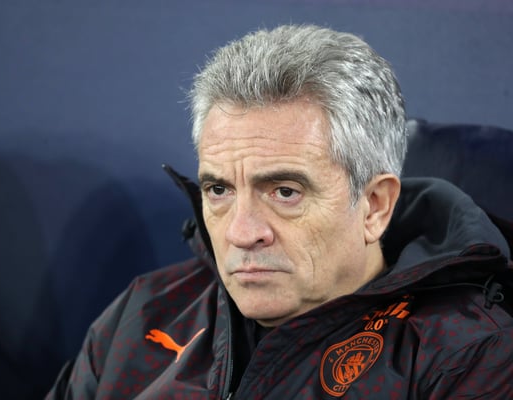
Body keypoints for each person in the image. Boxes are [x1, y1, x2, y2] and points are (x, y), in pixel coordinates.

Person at [46, 24, 513, 399]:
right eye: (219, 189)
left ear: (374, 206)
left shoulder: (468, 356)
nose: (241, 232)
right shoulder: (141, 314)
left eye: (285, 192)